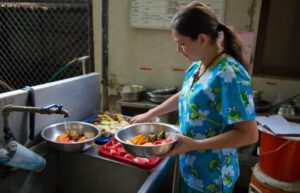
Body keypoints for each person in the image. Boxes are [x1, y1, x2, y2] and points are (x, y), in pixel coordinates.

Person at [130, 1, 258, 193]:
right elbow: (187, 94)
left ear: (202, 39)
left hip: (213, 177)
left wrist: (196, 145)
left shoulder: (229, 75)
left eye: (182, 44)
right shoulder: (199, 65)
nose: (178, 50)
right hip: (192, 167)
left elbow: (249, 134)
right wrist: (150, 113)